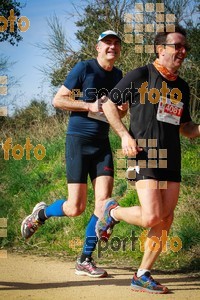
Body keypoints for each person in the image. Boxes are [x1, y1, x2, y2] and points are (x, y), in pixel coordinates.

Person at [96, 24, 200, 293]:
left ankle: (142, 274)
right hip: (142, 153)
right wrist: (123, 136)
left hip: (171, 158)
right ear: (160, 49)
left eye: (185, 47)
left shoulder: (183, 87)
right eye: (177, 46)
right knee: (152, 216)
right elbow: (108, 104)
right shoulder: (142, 74)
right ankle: (112, 211)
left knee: (165, 218)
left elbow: (186, 128)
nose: (182, 51)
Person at [21, 30, 127, 278]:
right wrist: (88, 105)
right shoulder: (84, 68)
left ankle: (84, 260)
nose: (112, 47)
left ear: (119, 50)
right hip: (78, 141)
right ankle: (41, 213)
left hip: (102, 144)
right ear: (97, 47)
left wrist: (121, 109)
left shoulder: (120, 76)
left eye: (116, 44)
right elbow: (58, 100)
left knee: (103, 203)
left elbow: (117, 114)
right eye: (107, 43)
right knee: (75, 207)